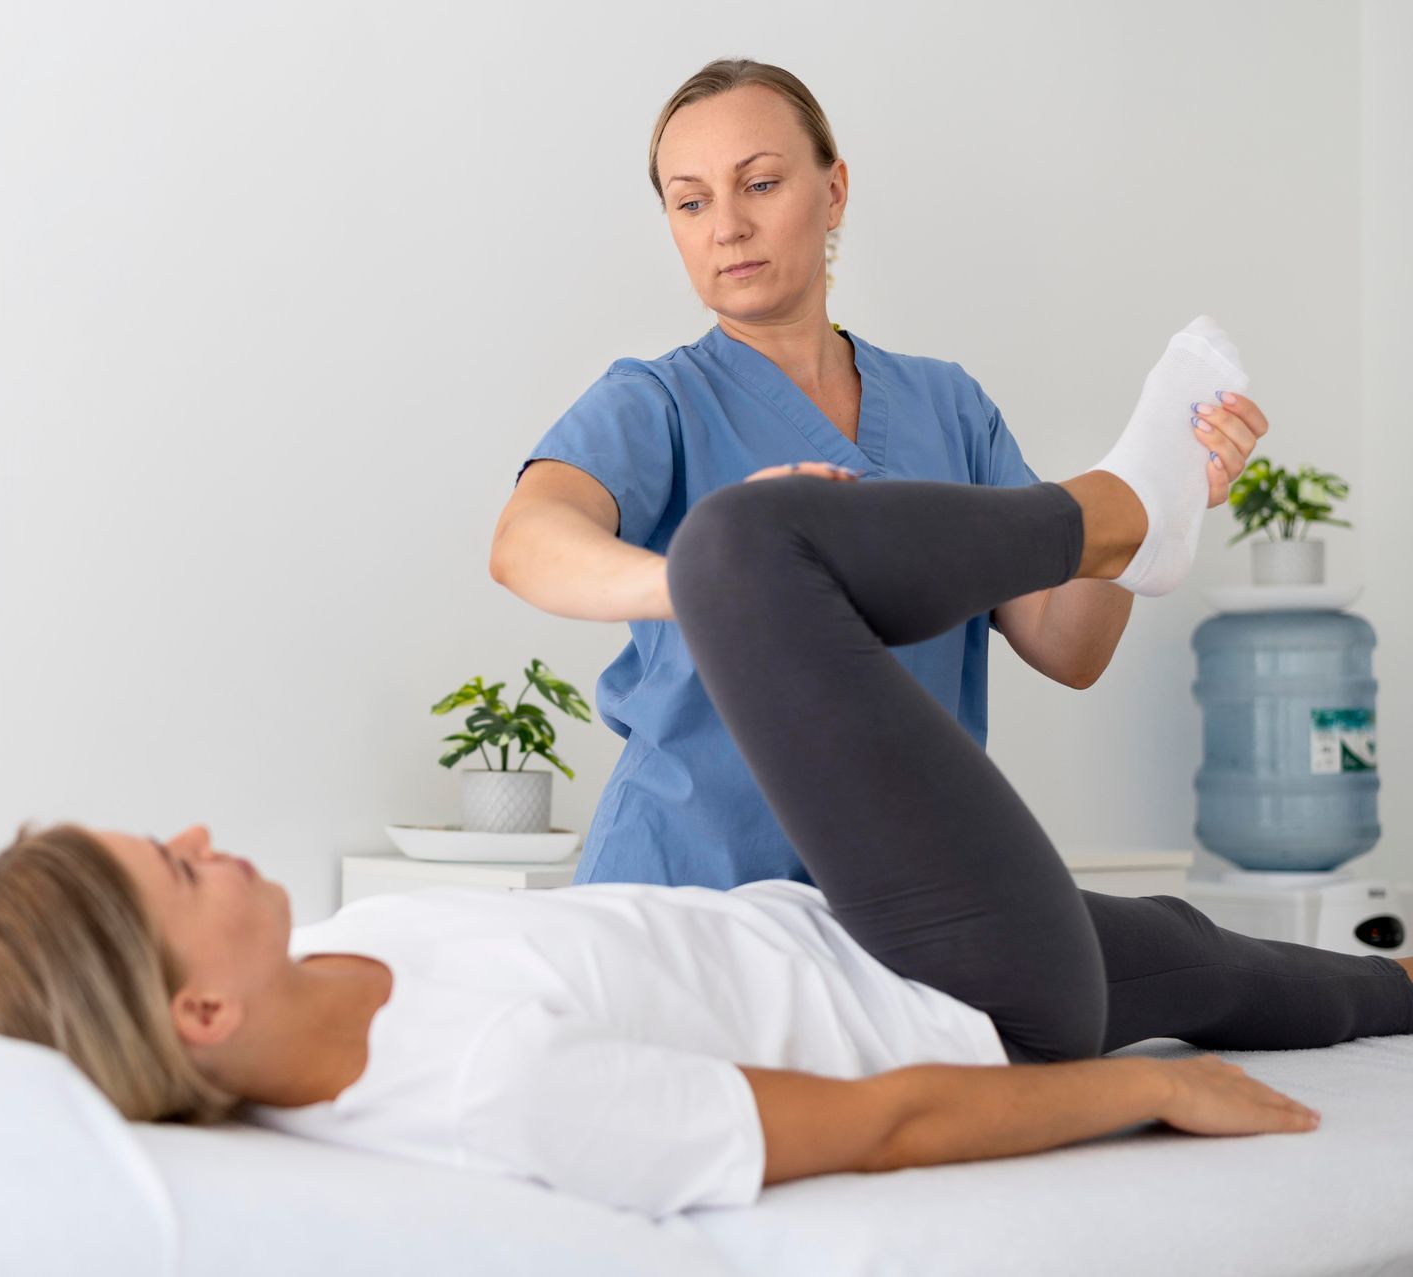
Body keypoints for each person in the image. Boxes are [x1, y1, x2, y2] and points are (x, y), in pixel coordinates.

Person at [0, 431, 1413, 1218]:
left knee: (1213, 963)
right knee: (740, 549)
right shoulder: (488, 1086)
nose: (199, 832)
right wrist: (1149, 1097)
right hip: (963, 996)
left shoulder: (333, 950)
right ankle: (1125, 510)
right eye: (176, 869)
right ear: (196, 1002)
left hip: (850, 930)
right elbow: (884, 1124)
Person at [488, 58, 1271, 891]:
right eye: (691, 201)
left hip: (900, 899)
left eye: (758, 184)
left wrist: (1156, 510)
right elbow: (525, 542)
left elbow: (1067, 645)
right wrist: (712, 575)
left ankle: (1137, 503)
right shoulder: (657, 402)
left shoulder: (949, 407)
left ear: (833, 193)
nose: (726, 227)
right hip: (685, 884)